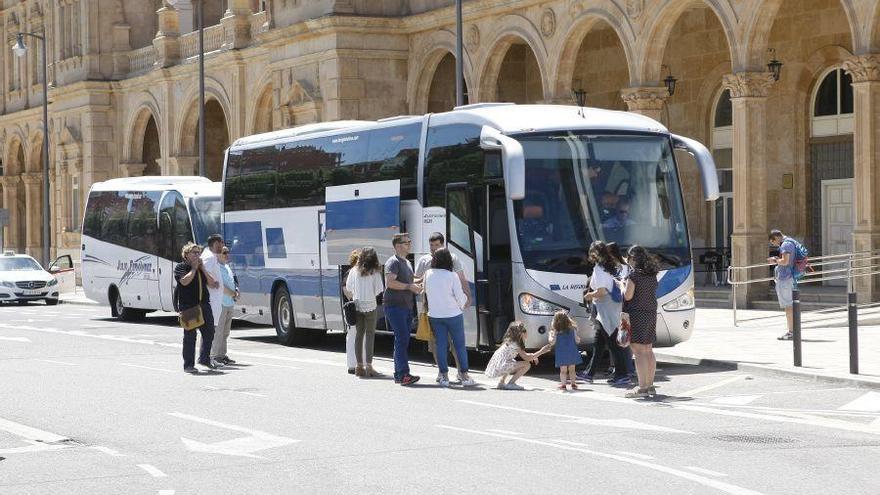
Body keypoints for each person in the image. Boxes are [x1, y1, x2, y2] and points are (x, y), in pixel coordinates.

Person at [414, 232, 471, 381]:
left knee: (441, 344)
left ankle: (445, 374)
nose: (433, 248)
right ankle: (461, 375)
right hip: (447, 311)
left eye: (436, 245)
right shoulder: (427, 262)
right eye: (431, 245)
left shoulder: (434, 270)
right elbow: (459, 287)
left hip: (434, 311)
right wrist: (463, 303)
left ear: (443, 245)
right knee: (453, 344)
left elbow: (421, 283)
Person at [424, 248, 475, 387]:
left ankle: (444, 377)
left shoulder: (428, 274)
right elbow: (460, 297)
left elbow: (426, 292)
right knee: (459, 345)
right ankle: (464, 376)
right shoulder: (452, 276)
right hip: (453, 314)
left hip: (434, 315)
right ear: (449, 260)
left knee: (441, 345)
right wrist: (465, 302)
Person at [583, 241, 630, 387]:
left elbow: (602, 291)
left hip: (606, 308)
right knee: (599, 341)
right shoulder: (614, 265)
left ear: (594, 253)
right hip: (614, 306)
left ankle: (622, 375)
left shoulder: (599, 268)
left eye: (591, 252)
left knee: (613, 344)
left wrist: (589, 295)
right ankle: (589, 374)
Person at [384, 233, 422, 386]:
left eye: (409, 242)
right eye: (407, 242)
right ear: (398, 245)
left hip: (405, 307)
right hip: (395, 306)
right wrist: (409, 287)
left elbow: (411, 280)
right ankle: (404, 374)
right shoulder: (393, 262)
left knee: (402, 341)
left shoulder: (406, 261)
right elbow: (390, 283)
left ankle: (399, 374)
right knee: (402, 340)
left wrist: (424, 279)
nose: (409, 244)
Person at [622, 245, 660, 399]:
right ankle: (650, 385)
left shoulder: (634, 276)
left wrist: (622, 285)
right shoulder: (652, 274)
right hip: (650, 313)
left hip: (637, 314)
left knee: (638, 352)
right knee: (648, 350)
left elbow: (628, 296)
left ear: (632, 259)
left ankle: (642, 387)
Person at [174, 243, 218, 373]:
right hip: (189, 306)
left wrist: (202, 269)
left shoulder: (200, 268)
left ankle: (204, 359)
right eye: (194, 252)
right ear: (186, 254)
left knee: (209, 331)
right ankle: (188, 365)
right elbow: (184, 281)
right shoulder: (181, 267)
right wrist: (193, 269)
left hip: (204, 304)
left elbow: (212, 283)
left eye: (198, 253)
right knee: (190, 335)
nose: (197, 255)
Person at [343, 247, 385, 378]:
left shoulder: (354, 271)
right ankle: (369, 366)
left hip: (357, 306)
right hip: (370, 306)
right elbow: (379, 290)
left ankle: (359, 366)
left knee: (358, 336)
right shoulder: (374, 272)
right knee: (370, 336)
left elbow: (349, 287)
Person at [485, 321, 550, 390]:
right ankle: (511, 383)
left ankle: (501, 382)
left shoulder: (511, 342)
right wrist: (541, 351)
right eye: (524, 332)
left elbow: (525, 354)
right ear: (521, 334)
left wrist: (533, 356)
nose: (526, 334)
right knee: (527, 365)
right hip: (501, 366)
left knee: (511, 361)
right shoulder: (516, 344)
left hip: (498, 366)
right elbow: (527, 358)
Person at [607, 242, 636, 380]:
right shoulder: (621, 266)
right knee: (619, 338)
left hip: (619, 305)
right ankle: (619, 367)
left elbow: (622, 284)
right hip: (618, 304)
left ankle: (624, 368)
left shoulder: (621, 267)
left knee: (620, 338)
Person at [210, 246, 239, 366]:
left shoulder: (227, 266)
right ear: (218, 254)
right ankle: (214, 356)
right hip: (221, 303)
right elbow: (221, 286)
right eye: (224, 253)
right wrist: (233, 293)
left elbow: (233, 281)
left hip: (230, 303)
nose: (227, 255)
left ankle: (222, 355)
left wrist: (236, 290)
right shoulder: (216, 268)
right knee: (218, 331)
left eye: (227, 252)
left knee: (226, 332)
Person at [768, 229, 798, 340]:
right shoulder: (791, 242)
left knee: (788, 306)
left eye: (773, 242)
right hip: (789, 277)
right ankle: (793, 330)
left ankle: (791, 332)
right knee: (789, 305)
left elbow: (785, 261)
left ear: (776, 238)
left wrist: (775, 260)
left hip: (785, 278)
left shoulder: (785, 244)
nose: (775, 245)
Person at [201, 234, 225, 368]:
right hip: (211, 301)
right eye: (221, 243)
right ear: (216, 243)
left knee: (210, 331)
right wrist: (211, 282)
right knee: (210, 331)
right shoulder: (209, 257)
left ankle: (207, 357)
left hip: (214, 300)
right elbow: (204, 271)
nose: (223, 245)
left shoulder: (211, 256)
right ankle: (206, 358)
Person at [550, 311, 582, 391]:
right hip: (572, 352)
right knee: (572, 370)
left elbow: (552, 342)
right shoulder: (572, 330)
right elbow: (577, 340)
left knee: (563, 371)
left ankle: (563, 385)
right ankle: (573, 384)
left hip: (562, 353)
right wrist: (578, 339)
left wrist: (552, 336)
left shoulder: (556, 332)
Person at [344, 249, 361, 375]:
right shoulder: (350, 273)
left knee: (354, 336)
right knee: (353, 335)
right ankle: (352, 364)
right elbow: (346, 289)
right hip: (353, 309)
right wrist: (355, 299)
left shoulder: (357, 273)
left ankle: (355, 364)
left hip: (354, 307)